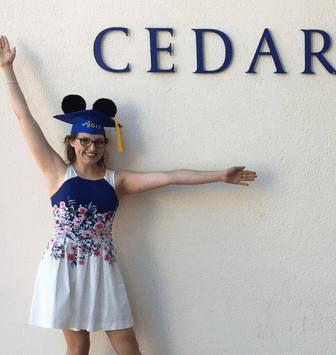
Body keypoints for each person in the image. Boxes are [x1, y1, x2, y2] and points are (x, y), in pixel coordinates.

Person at [1, 35, 257, 355]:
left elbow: (171, 176)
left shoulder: (116, 181)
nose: (91, 147)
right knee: (77, 348)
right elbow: (25, 118)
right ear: (72, 142)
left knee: (127, 346)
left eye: (98, 141)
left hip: (102, 267)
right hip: (63, 266)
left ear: (106, 144)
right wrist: (6, 70)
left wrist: (219, 175)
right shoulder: (56, 171)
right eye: (84, 140)